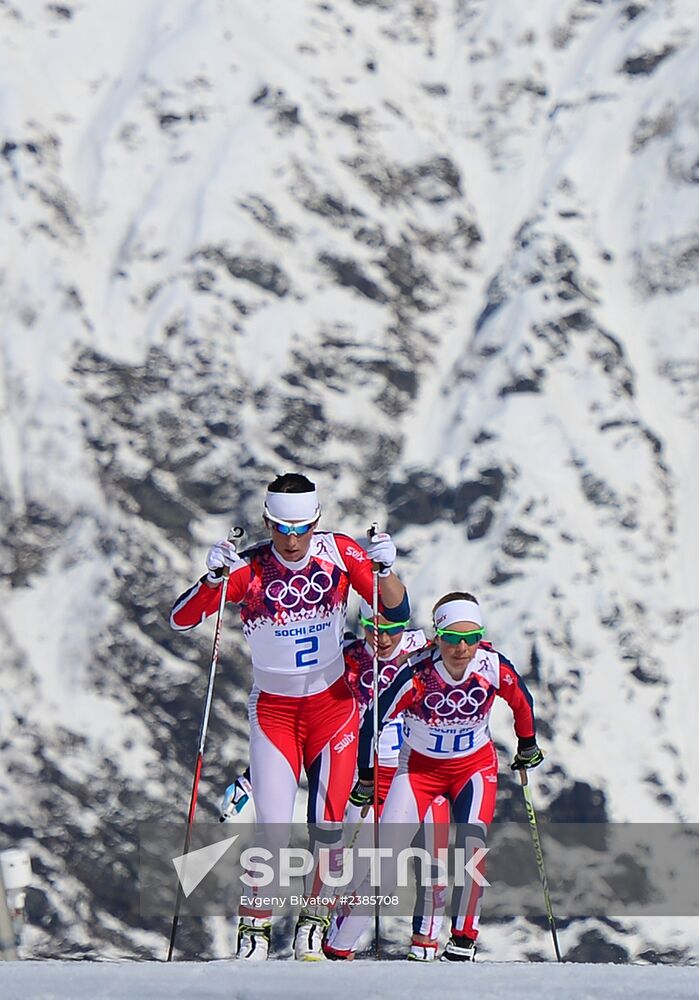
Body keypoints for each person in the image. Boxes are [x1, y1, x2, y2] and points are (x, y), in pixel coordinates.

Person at [170, 472, 409, 960]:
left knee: (328, 827)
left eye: (302, 527)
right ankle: (253, 932)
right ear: (266, 522)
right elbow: (182, 618)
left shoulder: (340, 553)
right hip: (276, 714)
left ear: (317, 521)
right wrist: (212, 578)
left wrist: (386, 570)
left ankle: (313, 924)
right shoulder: (250, 569)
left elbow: (396, 608)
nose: (293, 539)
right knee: (272, 832)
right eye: (282, 528)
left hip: (333, 709)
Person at [321, 591, 543, 963]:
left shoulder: (491, 666)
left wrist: (527, 745)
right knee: (386, 863)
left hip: (472, 768)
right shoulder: (417, 673)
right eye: (453, 637)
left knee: (472, 845)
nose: (462, 647)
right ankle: (339, 943)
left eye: (471, 638)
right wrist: (367, 776)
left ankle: (462, 940)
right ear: (436, 635)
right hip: (419, 771)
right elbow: (372, 722)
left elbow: (521, 701)